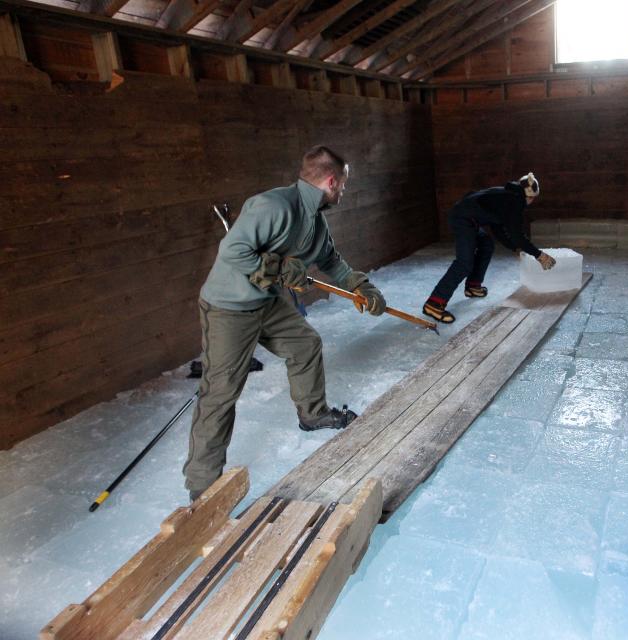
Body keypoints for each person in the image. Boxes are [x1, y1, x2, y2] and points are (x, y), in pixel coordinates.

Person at [183, 145, 386, 501]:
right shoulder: (273, 206)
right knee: (221, 393)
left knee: (305, 344)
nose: (344, 191)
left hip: (266, 301)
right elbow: (233, 251)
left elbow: (330, 261)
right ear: (331, 181)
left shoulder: (316, 221)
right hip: (229, 307)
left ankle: (312, 414)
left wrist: (360, 285)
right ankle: (202, 486)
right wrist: (278, 268)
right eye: (343, 185)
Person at [423, 173, 556, 323]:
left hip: (467, 217)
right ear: (530, 196)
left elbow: (497, 226)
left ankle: (473, 286)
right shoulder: (515, 202)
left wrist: (514, 248)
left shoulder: (507, 195)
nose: (532, 201)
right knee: (464, 263)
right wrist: (539, 255)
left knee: (487, 244)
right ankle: (434, 303)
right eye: (533, 198)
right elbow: (518, 235)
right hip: (463, 219)